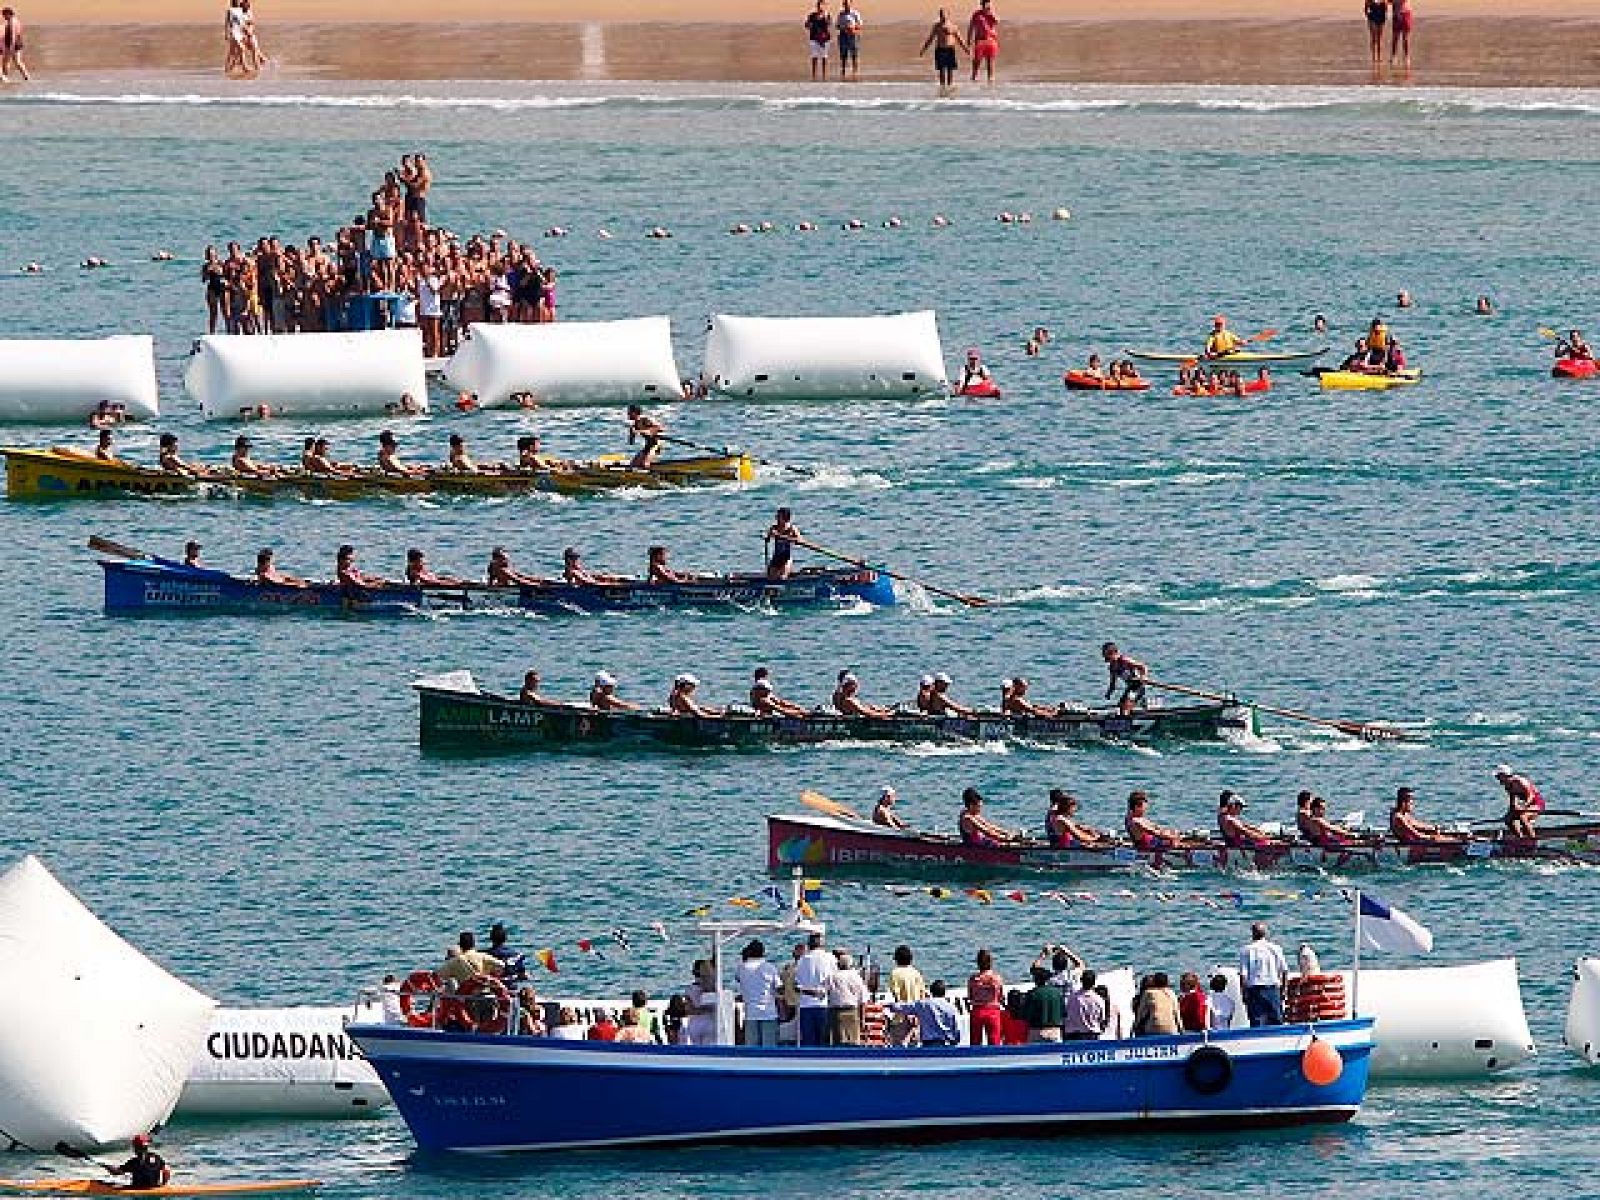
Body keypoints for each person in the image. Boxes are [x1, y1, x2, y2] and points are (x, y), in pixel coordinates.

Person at [1238, 922, 1289, 1027]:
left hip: (1255, 990)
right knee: (1277, 1020)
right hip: (1273, 988)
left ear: (1253, 934)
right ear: (1266, 933)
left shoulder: (1246, 950)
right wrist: (1284, 990)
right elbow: (1284, 971)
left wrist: (1243, 993)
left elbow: (1243, 975)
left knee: (1256, 1021)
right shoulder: (1276, 948)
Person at [736, 940, 784, 1046]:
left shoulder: (741, 968)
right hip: (769, 1012)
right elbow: (780, 988)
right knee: (769, 1048)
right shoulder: (769, 968)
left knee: (752, 1049)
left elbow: (739, 979)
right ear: (763, 952)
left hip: (750, 1013)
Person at [793, 931, 836, 1046]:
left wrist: (808, 991)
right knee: (824, 1042)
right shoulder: (829, 958)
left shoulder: (802, 960)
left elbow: (796, 985)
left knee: (808, 1042)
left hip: (805, 1005)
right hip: (823, 1004)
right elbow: (833, 981)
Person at [1125, 790, 1205, 851]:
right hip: (1149, 847)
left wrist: (1175, 833)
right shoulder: (1136, 821)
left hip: (1154, 842)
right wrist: (1174, 838)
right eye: (1144, 807)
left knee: (1175, 834)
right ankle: (1201, 848)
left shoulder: (1136, 817)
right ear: (1136, 807)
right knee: (1176, 842)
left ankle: (1195, 841)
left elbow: (1158, 828)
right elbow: (1157, 833)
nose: (1146, 809)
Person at [1389, 786, 1467, 845]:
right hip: (1411, 844)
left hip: (1415, 841)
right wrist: (1433, 837)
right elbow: (1416, 835)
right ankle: (1462, 843)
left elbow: (1418, 825)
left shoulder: (1405, 815)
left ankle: (1461, 840)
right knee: (1437, 838)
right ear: (1404, 802)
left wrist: (1434, 828)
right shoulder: (1399, 817)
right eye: (1411, 801)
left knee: (1438, 834)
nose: (1413, 803)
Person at [897, 978, 961, 1045]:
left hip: (929, 1044)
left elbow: (903, 1007)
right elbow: (956, 1028)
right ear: (944, 992)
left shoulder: (923, 1005)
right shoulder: (951, 1007)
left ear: (931, 991)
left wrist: (889, 1006)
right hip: (947, 1044)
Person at [919, 8, 967, 93]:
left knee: (950, 70)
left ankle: (950, 86)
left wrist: (966, 49)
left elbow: (959, 39)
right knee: (941, 70)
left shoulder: (953, 26)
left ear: (948, 15)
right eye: (941, 14)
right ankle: (942, 87)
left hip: (950, 49)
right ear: (939, 15)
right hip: (940, 50)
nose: (943, 16)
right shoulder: (937, 26)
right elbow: (931, 38)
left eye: (944, 14)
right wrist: (924, 49)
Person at [827, 950, 871, 1045]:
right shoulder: (856, 977)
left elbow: (826, 993)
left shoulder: (832, 976)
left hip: (836, 1013)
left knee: (838, 1042)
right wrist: (862, 1019)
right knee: (854, 1042)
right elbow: (863, 1000)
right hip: (852, 1012)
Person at [1046, 790, 1114, 848]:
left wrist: (1095, 833)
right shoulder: (1061, 819)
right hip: (1067, 846)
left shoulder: (1062, 817)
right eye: (1073, 809)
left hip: (1069, 843)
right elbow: (1079, 836)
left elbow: (1078, 827)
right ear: (1067, 808)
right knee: (1097, 844)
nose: (1075, 811)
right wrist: (1097, 839)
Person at [1216, 790, 1283, 849]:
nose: (1241, 810)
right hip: (1241, 846)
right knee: (1270, 843)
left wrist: (1263, 833)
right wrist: (1268, 839)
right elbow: (1247, 833)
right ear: (1233, 805)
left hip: (1236, 843)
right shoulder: (1230, 819)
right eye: (1240, 807)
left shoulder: (1222, 816)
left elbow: (1246, 826)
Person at [1496, 764, 1545, 840]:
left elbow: (1531, 795)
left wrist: (1524, 807)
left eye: (1498, 777)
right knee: (1508, 820)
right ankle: (1520, 838)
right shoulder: (1507, 786)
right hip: (1527, 805)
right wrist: (1510, 813)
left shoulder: (1520, 781)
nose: (1498, 779)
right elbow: (1513, 802)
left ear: (1504, 775)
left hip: (1537, 803)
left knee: (1523, 817)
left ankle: (1533, 840)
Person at [966, 948, 1005, 1045]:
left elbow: (970, 997)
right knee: (995, 1042)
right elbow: (1000, 997)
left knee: (975, 1042)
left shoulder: (973, 979)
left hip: (977, 1010)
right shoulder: (996, 978)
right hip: (993, 1011)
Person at [1101, 642, 1149, 715]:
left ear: (1114, 653)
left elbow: (1142, 666)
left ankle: (1134, 711)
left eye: (1107, 656)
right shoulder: (1112, 667)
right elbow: (1113, 683)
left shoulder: (1125, 660)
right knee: (1120, 707)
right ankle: (1136, 706)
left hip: (1138, 687)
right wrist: (1109, 693)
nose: (1106, 659)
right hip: (1130, 688)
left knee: (1126, 707)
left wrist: (1143, 677)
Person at [1022, 964, 1064, 1042]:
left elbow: (1026, 1015)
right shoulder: (1058, 993)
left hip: (1037, 1031)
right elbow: (1063, 1013)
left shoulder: (1032, 994)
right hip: (1055, 1031)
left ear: (1035, 979)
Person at [1062, 969, 1108, 1040]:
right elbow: (1102, 1019)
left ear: (1081, 980)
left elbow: (1066, 1015)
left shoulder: (1072, 997)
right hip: (1091, 1034)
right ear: (1094, 982)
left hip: (1072, 1035)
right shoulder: (1099, 1000)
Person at [683, 959, 719, 1046]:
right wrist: (708, 1010)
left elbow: (689, 1009)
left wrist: (698, 1010)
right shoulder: (711, 989)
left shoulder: (689, 989)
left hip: (695, 1024)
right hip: (709, 1022)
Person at [966, 0, 998, 83]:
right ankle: (974, 77)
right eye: (984, 3)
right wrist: (969, 39)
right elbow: (971, 27)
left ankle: (990, 79)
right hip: (980, 40)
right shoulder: (976, 14)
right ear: (981, 4)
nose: (985, 5)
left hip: (990, 40)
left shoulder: (991, 14)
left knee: (990, 62)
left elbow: (996, 22)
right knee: (977, 61)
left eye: (987, 3)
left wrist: (990, 13)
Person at [764, 507, 801, 579]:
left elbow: (799, 540)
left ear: (784, 519)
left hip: (786, 558)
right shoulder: (774, 528)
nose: (776, 518)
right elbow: (767, 539)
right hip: (776, 558)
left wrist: (783, 536)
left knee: (782, 578)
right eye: (776, 516)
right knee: (771, 579)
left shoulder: (792, 528)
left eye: (778, 517)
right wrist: (768, 536)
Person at [804, 0, 831, 80]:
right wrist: (809, 24)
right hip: (814, 38)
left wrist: (825, 17)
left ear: (825, 6)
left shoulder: (827, 15)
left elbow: (829, 24)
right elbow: (806, 25)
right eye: (819, 5)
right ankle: (814, 75)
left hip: (824, 39)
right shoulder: (812, 15)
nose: (820, 7)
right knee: (814, 57)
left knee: (824, 57)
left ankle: (824, 75)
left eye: (822, 5)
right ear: (817, 6)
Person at [1, 7, 29, 83]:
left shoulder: (12, 22)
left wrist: (11, 47)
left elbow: (13, 35)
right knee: (17, 62)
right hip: (17, 43)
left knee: (6, 62)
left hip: (13, 44)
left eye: (4, 15)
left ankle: (4, 78)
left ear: (9, 14)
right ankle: (26, 77)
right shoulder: (16, 21)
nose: (3, 17)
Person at [836, 0, 862, 78]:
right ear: (843, 5)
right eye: (845, 4)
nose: (847, 5)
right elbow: (837, 25)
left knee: (854, 54)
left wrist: (853, 28)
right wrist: (844, 28)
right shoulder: (840, 14)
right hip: (843, 35)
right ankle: (843, 71)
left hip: (853, 36)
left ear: (851, 3)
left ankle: (855, 72)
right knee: (843, 55)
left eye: (848, 3)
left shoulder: (855, 13)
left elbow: (860, 24)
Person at [1390, 0, 1413, 69]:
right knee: (1395, 37)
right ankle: (1394, 56)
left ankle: (1407, 57)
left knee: (1405, 38)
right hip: (1396, 13)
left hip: (1406, 13)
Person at [1364, 0, 1386, 67]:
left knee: (1380, 38)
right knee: (1373, 38)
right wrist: (1369, 17)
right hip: (1372, 18)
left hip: (1381, 18)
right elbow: (1366, 9)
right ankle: (1374, 57)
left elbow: (1386, 8)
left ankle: (1379, 56)